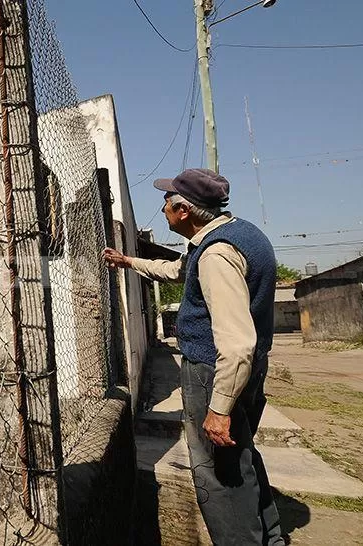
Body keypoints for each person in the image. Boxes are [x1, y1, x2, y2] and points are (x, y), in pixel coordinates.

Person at [103, 168, 283, 545]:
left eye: (167, 202)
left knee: (217, 473)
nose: (163, 207)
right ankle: (270, 537)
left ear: (183, 210)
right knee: (241, 458)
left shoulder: (216, 256)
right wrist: (129, 262)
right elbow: (178, 272)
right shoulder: (237, 234)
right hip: (248, 371)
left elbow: (235, 344)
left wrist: (218, 409)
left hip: (215, 371)